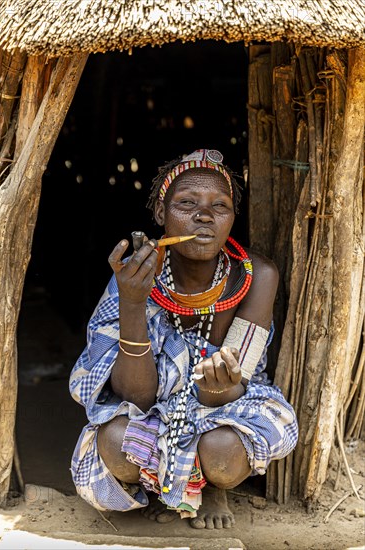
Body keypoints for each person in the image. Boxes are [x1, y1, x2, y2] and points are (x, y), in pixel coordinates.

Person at [69, 149, 298, 530]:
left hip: (227, 409)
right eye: (187, 203)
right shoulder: (135, 276)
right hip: (151, 409)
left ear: (231, 219)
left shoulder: (257, 276)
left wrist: (216, 388)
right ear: (161, 215)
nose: (203, 215)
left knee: (223, 451)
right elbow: (135, 397)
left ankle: (209, 488)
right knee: (115, 440)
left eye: (219, 206)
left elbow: (238, 384)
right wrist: (132, 303)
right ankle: (167, 488)